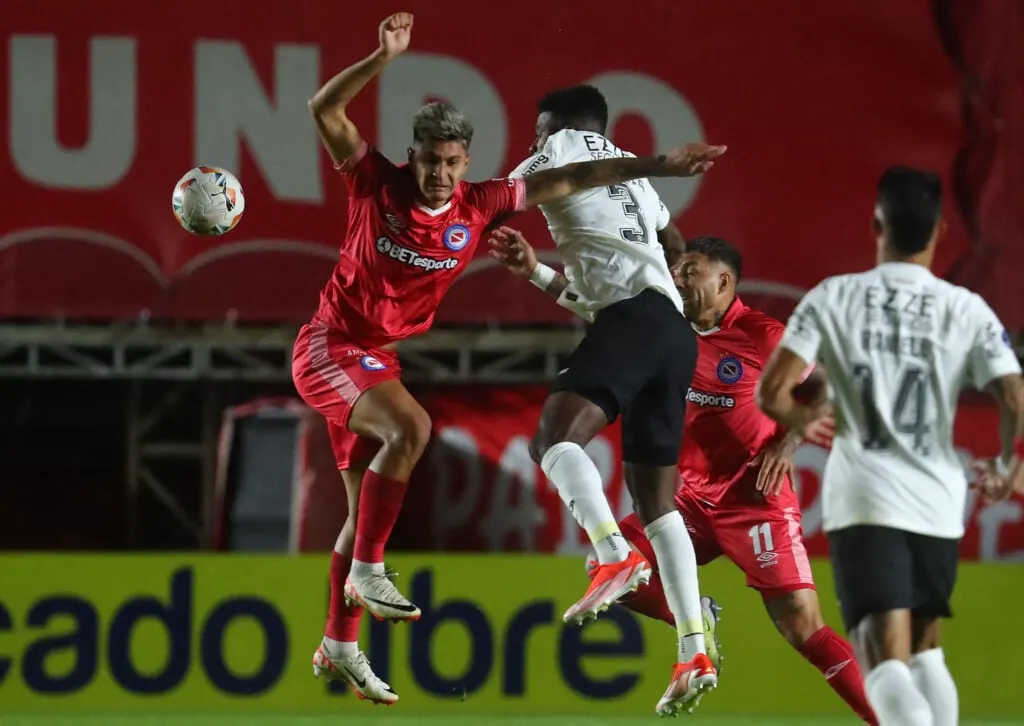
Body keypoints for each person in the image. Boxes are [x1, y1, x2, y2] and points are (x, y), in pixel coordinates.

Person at [291, 16, 726, 705]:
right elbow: (322, 109)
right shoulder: (377, 182)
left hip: (392, 356)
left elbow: (572, 175)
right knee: (414, 435)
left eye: (450, 162)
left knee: (543, 447)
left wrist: (645, 176)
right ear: (413, 157)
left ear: (470, 160)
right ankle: (682, 635)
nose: (438, 174)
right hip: (334, 347)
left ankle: (341, 639)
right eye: (428, 161)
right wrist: (382, 56)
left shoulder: (491, 195)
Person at [491, 230, 878, 724]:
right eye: (675, 270)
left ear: (725, 282)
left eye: (689, 271)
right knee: (613, 572)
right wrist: (534, 271)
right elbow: (596, 308)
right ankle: (697, 618)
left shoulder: (764, 335)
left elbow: (828, 384)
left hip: (754, 496)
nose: (676, 278)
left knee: (803, 628)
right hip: (690, 500)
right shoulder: (665, 326)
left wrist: (788, 440)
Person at [757, 166, 1024, 726]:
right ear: (941, 230)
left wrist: (805, 417)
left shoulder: (835, 297)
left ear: (876, 222)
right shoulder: (966, 308)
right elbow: (1013, 396)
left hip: (868, 495)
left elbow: (771, 392)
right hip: (939, 500)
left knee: (882, 659)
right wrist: (1007, 464)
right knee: (927, 649)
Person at [499, 84, 727, 716]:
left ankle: (612, 556)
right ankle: (694, 647)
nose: (532, 143)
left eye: (537, 131)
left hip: (633, 323)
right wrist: (534, 270)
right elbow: (668, 249)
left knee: (552, 438)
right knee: (657, 501)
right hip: (670, 335)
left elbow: (499, 199)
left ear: (561, 127)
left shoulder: (561, 151)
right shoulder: (634, 184)